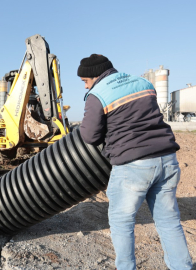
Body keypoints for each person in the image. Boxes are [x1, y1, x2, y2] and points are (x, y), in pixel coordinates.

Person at [78, 54, 192, 270]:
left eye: (85, 81)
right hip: (166, 159)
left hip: (133, 165)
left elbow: (90, 136)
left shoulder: (97, 94)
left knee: (122, 222)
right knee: (168, 221)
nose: (85, 87)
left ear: (94, 76)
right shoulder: (143, 83)